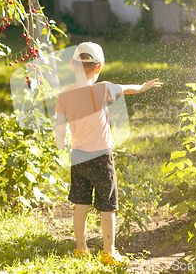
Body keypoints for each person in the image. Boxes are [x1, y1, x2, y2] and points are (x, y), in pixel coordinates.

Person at [54, 42, 162, 266]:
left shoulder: (63, 97)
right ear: (99, 67)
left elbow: (59, 128)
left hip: (78, 157)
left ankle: (80, 248)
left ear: (73, 66)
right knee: (107, 207)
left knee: (81, 204)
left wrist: (60, 142)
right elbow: (125, 88)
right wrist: (142, 88)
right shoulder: (102, 89)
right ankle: (108, 252)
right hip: (101, 157)